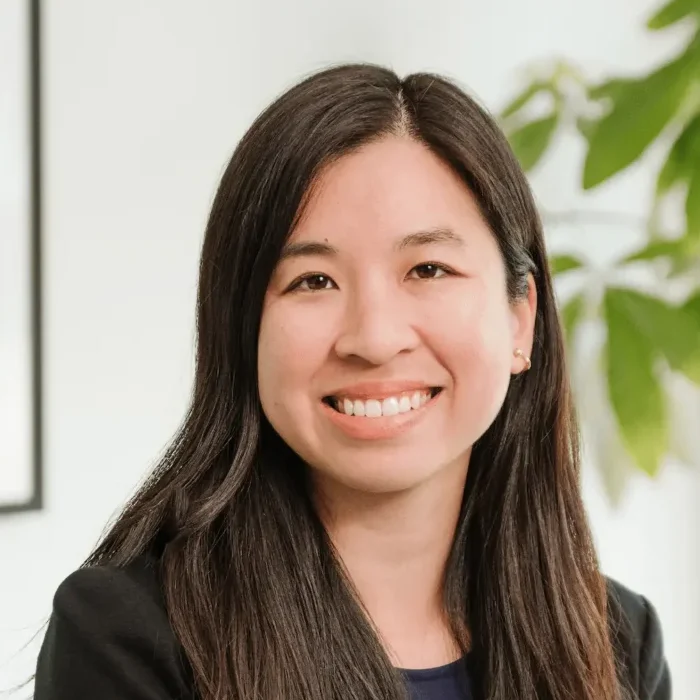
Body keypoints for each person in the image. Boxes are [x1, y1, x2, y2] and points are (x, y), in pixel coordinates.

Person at [32, 63, 670, 700]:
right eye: (313, 281)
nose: (372, 337)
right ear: (243, 327)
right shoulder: (129, 637)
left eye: (427, 268)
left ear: (520, 319)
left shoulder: (617, 640)